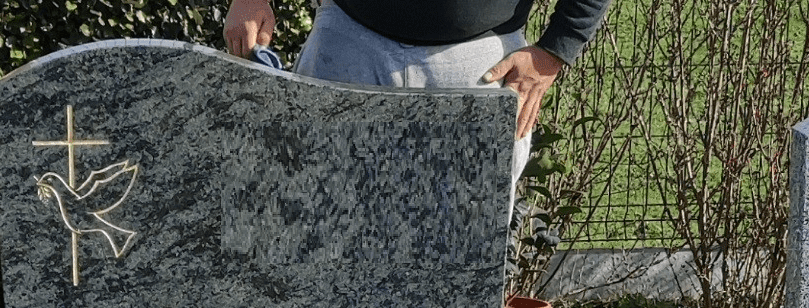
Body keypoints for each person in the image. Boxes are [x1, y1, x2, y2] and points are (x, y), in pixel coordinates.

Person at [223, 0, 612, 189]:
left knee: (466, 261)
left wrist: (556, 49)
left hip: (480, 61)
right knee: (320, 228)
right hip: (348, 41)